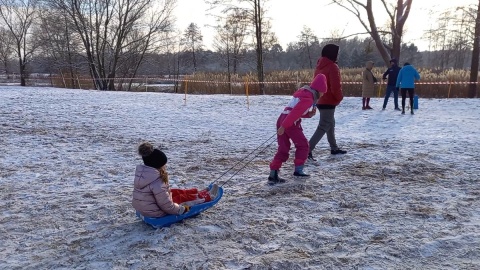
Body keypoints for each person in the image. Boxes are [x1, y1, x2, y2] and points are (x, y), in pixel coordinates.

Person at [268, 73, 328, 184]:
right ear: (319, 90)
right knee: (303, 145)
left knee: (283, 148)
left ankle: (273, 173)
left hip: (282, 118)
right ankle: (298, 170)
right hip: (290, 123)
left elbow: (294, 110)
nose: (323, 95)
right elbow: (295, 113)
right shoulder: (308, 99)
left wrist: (308, 115)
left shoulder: (303, 93)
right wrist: (284, 126)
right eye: (323, 92)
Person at [132, 142, 219, 218]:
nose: (165, 167)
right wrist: (180, 209)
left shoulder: (142, 175)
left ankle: (198, 192)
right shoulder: (157, 182)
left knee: (175, 191)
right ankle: (206, 197)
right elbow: (167, 206)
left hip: (146, 208)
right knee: (181, 199)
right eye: (163, 165)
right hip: (156, 212)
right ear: (158, 166)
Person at [308, 44, 347, 161]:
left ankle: (334, 147)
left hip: (320, 99)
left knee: (330, 123)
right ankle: (307, 149)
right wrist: (339, 97)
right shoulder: (333, 67)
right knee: (324, 125)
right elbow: (336, 86)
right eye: (337, 53)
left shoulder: (319, 66)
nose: (338, 55)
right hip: (329, 100)